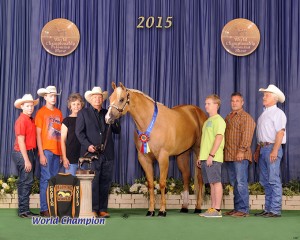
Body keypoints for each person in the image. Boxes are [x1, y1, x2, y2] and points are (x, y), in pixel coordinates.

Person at [76, 87, 121, 218]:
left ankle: (102, 209)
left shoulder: (108, 112)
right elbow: (79, 133)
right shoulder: (83, 113)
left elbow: (117, 131)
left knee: (105, 182)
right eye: (95, 97)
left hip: (107, 153)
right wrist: (88, 146)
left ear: (103, 99)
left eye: (100, 97)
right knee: (94, 182)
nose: (97, 99)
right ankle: (93, 209)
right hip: (91, 154)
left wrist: (115, 118)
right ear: (90, 99)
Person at [254, 84, 287, 218]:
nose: (264, 97)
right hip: (263, 149)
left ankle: (275, 210)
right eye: (264, 95)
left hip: (272, 148)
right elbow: (261, 135)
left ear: (274, 98)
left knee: (273, 180)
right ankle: (268, 209)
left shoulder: (278, 113)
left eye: (266, 95)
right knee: (265, 181)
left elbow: (280, 133)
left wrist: (275, 150)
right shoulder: (264, 114)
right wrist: (257, 150)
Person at [224, 92, 256, 217]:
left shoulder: (245, 117)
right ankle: (237, 208)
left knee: (241, 182)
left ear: (242, 102)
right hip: (230, 155)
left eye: (237, 101)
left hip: (240, 156)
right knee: (235, 183)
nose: (234, 103)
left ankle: (243, 210)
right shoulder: (228, 117)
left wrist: (241, 151)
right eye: (232, 101)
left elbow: (247, 135)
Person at [35, 86, 63, 217]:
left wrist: (62, 153)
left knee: (54, 180)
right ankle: (44, 208)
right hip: (46, 150)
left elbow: (61, 135)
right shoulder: (41, 113)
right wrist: (41, 153)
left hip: (57, 152)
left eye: (55, 95)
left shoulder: (59, 112)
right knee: (46, 179)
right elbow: (38, 135)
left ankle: (52, 207)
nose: (53, 98)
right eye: (51, 95)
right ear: (45, 97)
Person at [197, 94, 226, 218]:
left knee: (216, 182)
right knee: (211, 183)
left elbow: (219, 138)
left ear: (216, 105)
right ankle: (213, 208)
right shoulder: (208, 121)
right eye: (205, 103)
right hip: (205, 157)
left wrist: (211, 155)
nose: (206, 106)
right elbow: (205, 140)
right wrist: (200, 156)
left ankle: (217, 209)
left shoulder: (219, 120)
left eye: (208, 103)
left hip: (213, 157)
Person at [12, 94, 40, 218]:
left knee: (25, 181)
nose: (30, 108)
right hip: (22, 152)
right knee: (26, 181)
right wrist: (26, 160)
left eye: (31, 106)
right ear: (22, 106)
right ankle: (23, 211)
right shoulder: (21, 120)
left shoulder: (30, 119)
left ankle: (24, 210)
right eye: (27, 106)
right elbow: (21, 141)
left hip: (30, 152)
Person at [61, 93, 85, 176]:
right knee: (70, 184)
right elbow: (62, 140)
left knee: (85, 185)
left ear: (81, 105)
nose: (76, 106)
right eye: (73, 104)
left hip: (84, 156)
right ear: (70, 106)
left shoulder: (85, 119)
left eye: (78, 104)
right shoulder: (66, 121)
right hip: (70, 157)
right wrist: (64, 158)